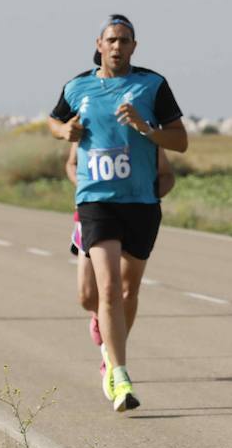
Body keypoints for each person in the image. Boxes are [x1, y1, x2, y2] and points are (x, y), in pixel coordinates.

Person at [48, 14, 187, 412]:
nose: (118, 46)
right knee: (105, 290)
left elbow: (181, 141)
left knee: (128, 291)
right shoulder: (78, 87)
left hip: (141, 203)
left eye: (125, 40)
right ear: (99, 43)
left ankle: (110, 351)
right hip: (96, 201)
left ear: (133, 46)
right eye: (112, 40)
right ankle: (120, 373)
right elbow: (55, 122)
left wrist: (146, 128)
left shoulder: (152, 85)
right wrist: (64, 132)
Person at [66, 140, 175, 377]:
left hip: (135, 213)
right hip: (94, 211)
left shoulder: (140, 129)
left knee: (123, 291)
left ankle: (112, 356)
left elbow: (166, 175)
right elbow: (72, 164)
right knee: (87, 297)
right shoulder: (88, 120)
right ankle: (99, 316)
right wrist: (88, 186)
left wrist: (143, 195)